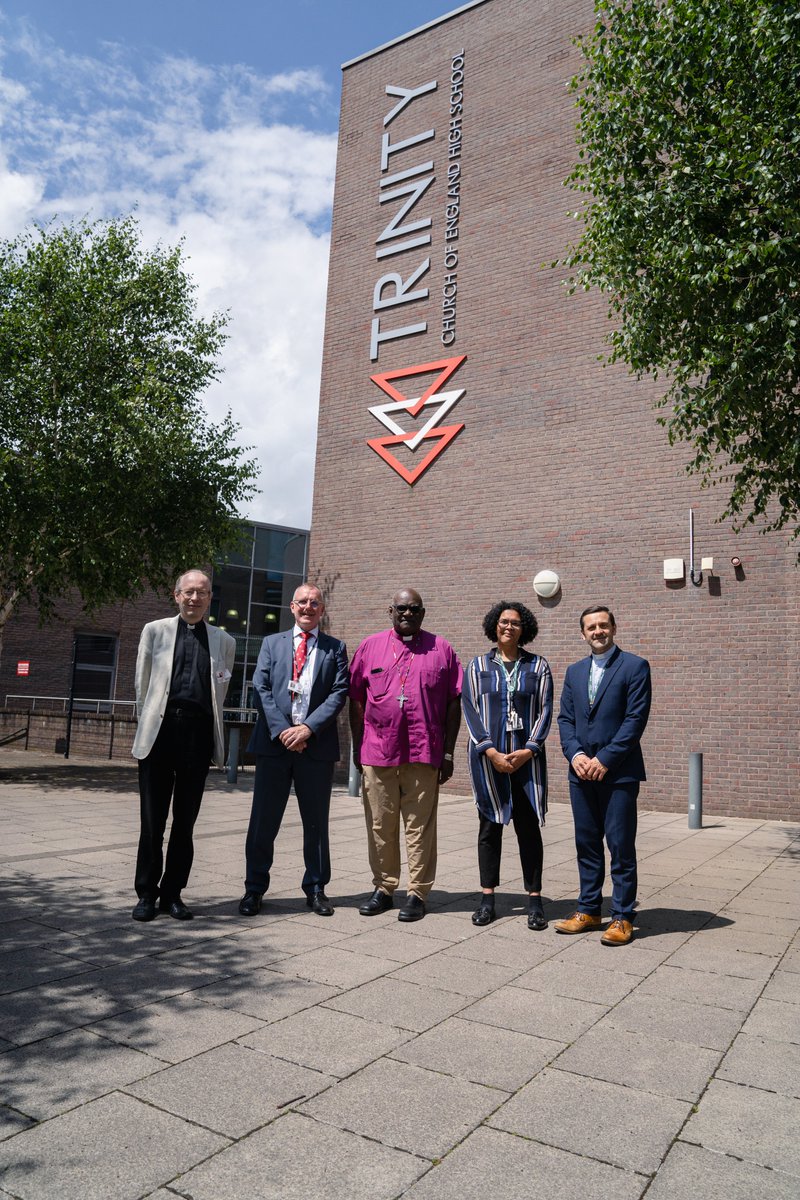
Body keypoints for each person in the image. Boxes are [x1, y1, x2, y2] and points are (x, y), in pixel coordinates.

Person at [349, 587, 462, 922]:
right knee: (380, 825)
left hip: (423, 751)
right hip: (378, 751)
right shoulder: (370, 647)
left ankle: (417, 893)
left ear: (423, 613)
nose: (408, 613)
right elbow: (355, 699)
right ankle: (384, 888)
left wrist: (449, 752)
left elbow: (454, 702)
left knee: (420, 827)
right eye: (401, 608)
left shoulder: (442, 649)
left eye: (414, 609)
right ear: (391, 611)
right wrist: (358, 748)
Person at [238, 584, 349, 917]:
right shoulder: (272, 644)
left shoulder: (336, 648)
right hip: (275, 746)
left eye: (315, 602)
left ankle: (316, 889)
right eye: (303, 602)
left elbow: (339, 692)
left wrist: (307, 729)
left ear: (322, 609)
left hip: (315, 749)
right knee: (263, 822)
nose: (308, 607)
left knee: (315, 823)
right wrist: (285, 730)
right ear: (291, 606)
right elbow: (261, 687)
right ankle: (253, 889)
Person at [131, 569, 236, 921]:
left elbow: (220, 690)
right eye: (188, 592)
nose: (195, 598)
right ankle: (146, 893)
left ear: (210, 598)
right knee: (152, 820)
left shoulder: (224, 641)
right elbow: (141, 686)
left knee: (185, 822)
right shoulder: (154, 631)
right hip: (160, 733)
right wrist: (146, 725)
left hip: (198, 735)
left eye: (202, 593)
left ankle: (172, 893)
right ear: (176, 595)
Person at [556, 605, 652, 945]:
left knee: (620, 845)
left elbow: (635, 720)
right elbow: (565, 720)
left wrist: (606, 759)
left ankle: (623, 917)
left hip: (619, 774)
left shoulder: (635, 667)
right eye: (591, 627)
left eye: (603, 625)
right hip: (581, 773)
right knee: (587, 845)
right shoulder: (574, 671)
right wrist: (576, 755)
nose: (597, 631)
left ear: (613, 628)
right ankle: (589, 910)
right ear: (582, 634)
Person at [462, 602, 553, 930]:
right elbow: (470, 710)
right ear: (494, 626)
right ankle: (487, 899)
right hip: (489, 763)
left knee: (528, 831)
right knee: (489, 830)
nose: (509, 627)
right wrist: (490, 751)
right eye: (503, 621)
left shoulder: (538, 666)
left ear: (524, 628)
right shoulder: (476, 666)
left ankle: (535, 900)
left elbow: (545, 709)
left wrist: (529, 749)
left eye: (515, 623)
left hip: (527, 763)